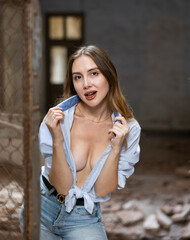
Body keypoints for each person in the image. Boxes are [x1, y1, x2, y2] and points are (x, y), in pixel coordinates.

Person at [20, 45, 141, 239]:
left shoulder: (129, 129)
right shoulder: (58, 119)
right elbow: (63, 187)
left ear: (109, 76)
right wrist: (58, 139)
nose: (86, 84)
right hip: (41, 207)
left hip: (83, 218)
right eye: (78, 77)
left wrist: (116, 147)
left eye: (94, 73)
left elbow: (102, 189)